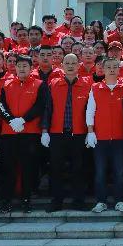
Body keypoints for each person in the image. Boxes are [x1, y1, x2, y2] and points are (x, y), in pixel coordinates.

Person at [41, 53, 93, 212]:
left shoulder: (87, 84)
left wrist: (91, 131)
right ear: (62, 65)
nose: (70, 66)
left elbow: (91, 110)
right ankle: (57, 201)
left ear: (78, 65)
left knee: (79, 168)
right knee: (56, 168)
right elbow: (47, 109)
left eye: (73, 63)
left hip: (79, 133)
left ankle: (79, 201)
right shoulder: (54, 84)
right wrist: (44, 130)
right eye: (67, 63)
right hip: (57, 133)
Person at [0, 55, 49, 213]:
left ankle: (26, 200)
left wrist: (23, 119)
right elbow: (1, 105)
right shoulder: (7, 84)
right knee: (8, 168)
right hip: (9, 132)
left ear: (31, 68)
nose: (21, 68)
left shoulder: (39, 84)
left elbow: (40, 105)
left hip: (30, 133)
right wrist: (11, 120)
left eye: (25, 66)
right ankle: (6, 201)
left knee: (28, 168)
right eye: (19, 65)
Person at [86, 57, 123, 212]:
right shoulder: (95, 87)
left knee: (120, 172)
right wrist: (90, 131)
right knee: (100, 172)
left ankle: (120, 200)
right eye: (108, 67)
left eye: (114, 67)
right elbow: (90, 111)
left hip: (120, 137)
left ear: (119, 70)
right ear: (103, 70)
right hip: (100, 137)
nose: (112, 69)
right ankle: (101, 201)